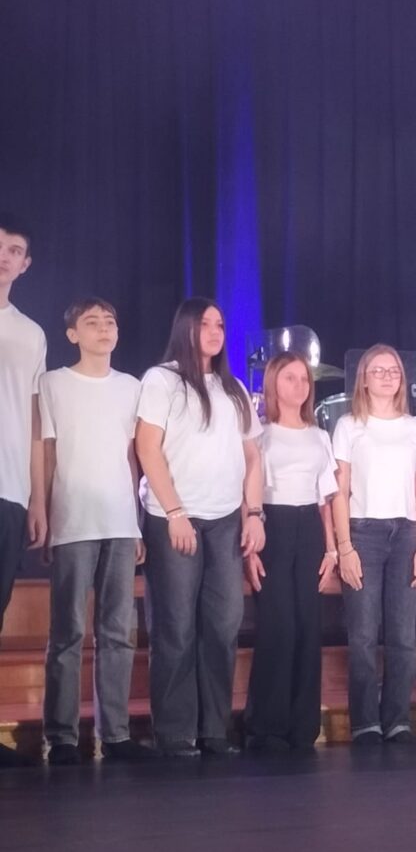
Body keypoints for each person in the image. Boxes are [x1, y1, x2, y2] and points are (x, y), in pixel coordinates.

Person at [135, 298, 264, 757]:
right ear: (185, 327)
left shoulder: (234, 388)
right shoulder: (162, 379)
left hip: (225, 519)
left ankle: (213, 728)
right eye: (205, 323)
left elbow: (252, 457)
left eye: (220, 325)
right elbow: (147, 447)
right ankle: (174, 732)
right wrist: (174, 513)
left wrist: (254, 513)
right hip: (174, 517)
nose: (214, 331)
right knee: (175, 626)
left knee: (223, 624)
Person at [39, 298, 157, 764]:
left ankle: (116, 733)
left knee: (118, 631)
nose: (104, 328)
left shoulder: (130, 387)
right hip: (72, 518)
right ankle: (61, 736)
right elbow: (47, 452)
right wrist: (44, 512)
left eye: (110, 321)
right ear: (73, 334)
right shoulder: (53, 383)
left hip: (119, 521)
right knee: (67, 631)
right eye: (92, 322)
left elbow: (133, 456)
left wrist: (137, 521)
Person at [332, 345, 416, 745]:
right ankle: (365, 722)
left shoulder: (414, 429)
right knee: (363, 635)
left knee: (403, 635)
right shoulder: (349, 426)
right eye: (379, 370)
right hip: (363, 532)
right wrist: (344, 546)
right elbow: (339, 491)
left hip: (405, 533)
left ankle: (397, 719)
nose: (388, 376)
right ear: (364, 378)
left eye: (394, 370)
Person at [244, 353, 338, 752]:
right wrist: (249, 549)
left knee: (306, 627)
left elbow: (325, 498)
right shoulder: (259, 434)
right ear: (273, 383)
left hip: (310, 530)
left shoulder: (320, 436)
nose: (298, 385)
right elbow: (247, 489)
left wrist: (332, 548)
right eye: (289, 378)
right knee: (278, 627)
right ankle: (266, 727)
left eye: (303, 379)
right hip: (272, 526)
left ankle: (302, 727)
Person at [0, 214, 46, 766]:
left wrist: (37, 497)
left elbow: (35, 423)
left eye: (14, 249)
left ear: (25, 264)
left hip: (9, 489)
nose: (4, 256)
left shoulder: (31, 334)